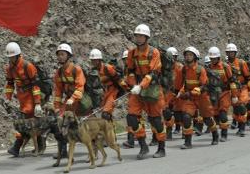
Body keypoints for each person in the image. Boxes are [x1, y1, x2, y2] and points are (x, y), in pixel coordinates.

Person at [125, 24, 166, 159]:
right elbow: (130, 71)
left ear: (147, 37)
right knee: (131, 117)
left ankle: (161, 148)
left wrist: (141, 86)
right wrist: (132, 85)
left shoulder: (154, 52)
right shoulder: (132, 53)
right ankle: (143, 145)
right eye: (137, 35)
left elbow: (153, 73)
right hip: (138, 89)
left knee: (155, 120)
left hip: (152, 89)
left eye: (141, 36)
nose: (138, 38)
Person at [3, 42, 43, 157]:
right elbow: (10, 83)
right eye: (9, 57)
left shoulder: (27, 66)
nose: (10, 59)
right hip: (22, 97)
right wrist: (8, 97)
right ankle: (39, 145)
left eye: (12, 57)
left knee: (25, 122)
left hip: (30, 97)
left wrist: (37, 103)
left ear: (18, 55)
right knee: (30, 123)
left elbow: (36, 85)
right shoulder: (10, 68)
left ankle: (17, 146)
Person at [176, 46, 219, 148]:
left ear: (195, 57)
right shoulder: (183, 70)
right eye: (186, 55)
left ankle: (215, 134)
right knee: (186, 117)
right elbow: (178, 84)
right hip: (190, 98)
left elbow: (203, 86)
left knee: (208, 119)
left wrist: (190, 93)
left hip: (202, 98)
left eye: (190, 55)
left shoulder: (201, 69)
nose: (188, 57)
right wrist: (177, 93)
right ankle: (187, 142)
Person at [89, 48, 127, 120]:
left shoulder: (108, 68)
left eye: (95, 60)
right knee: (104, 114)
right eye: (92, 60)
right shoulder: (96, 70)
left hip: (114, 91)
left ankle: (109, 129)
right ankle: (110, 129)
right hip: (106, 92)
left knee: (106, 113)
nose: (93, 62)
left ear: (100, 60)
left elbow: (118, 79)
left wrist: (127, 88)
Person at [208, 46, 236, 142]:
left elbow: (232, 81)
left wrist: (234, 95)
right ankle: (217, 132)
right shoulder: (209, 67)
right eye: (211, 58)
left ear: (218, 57)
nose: (213, 60)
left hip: (224, 92)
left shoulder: (225, 66)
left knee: (223, 113)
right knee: (215, 114)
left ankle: (224, 134)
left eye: (214, 58)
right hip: (214, 94)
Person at [226, 43, 250, 137]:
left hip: (242, 88)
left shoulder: (242, 63)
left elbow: (248, 77)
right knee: (236, 108)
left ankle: (242, 128)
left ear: (235, 53)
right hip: (232, 89)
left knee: (241, 106)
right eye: (229, 52)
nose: (230, 54)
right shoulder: (225, 64)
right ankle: (238, 124)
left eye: (232, 52)